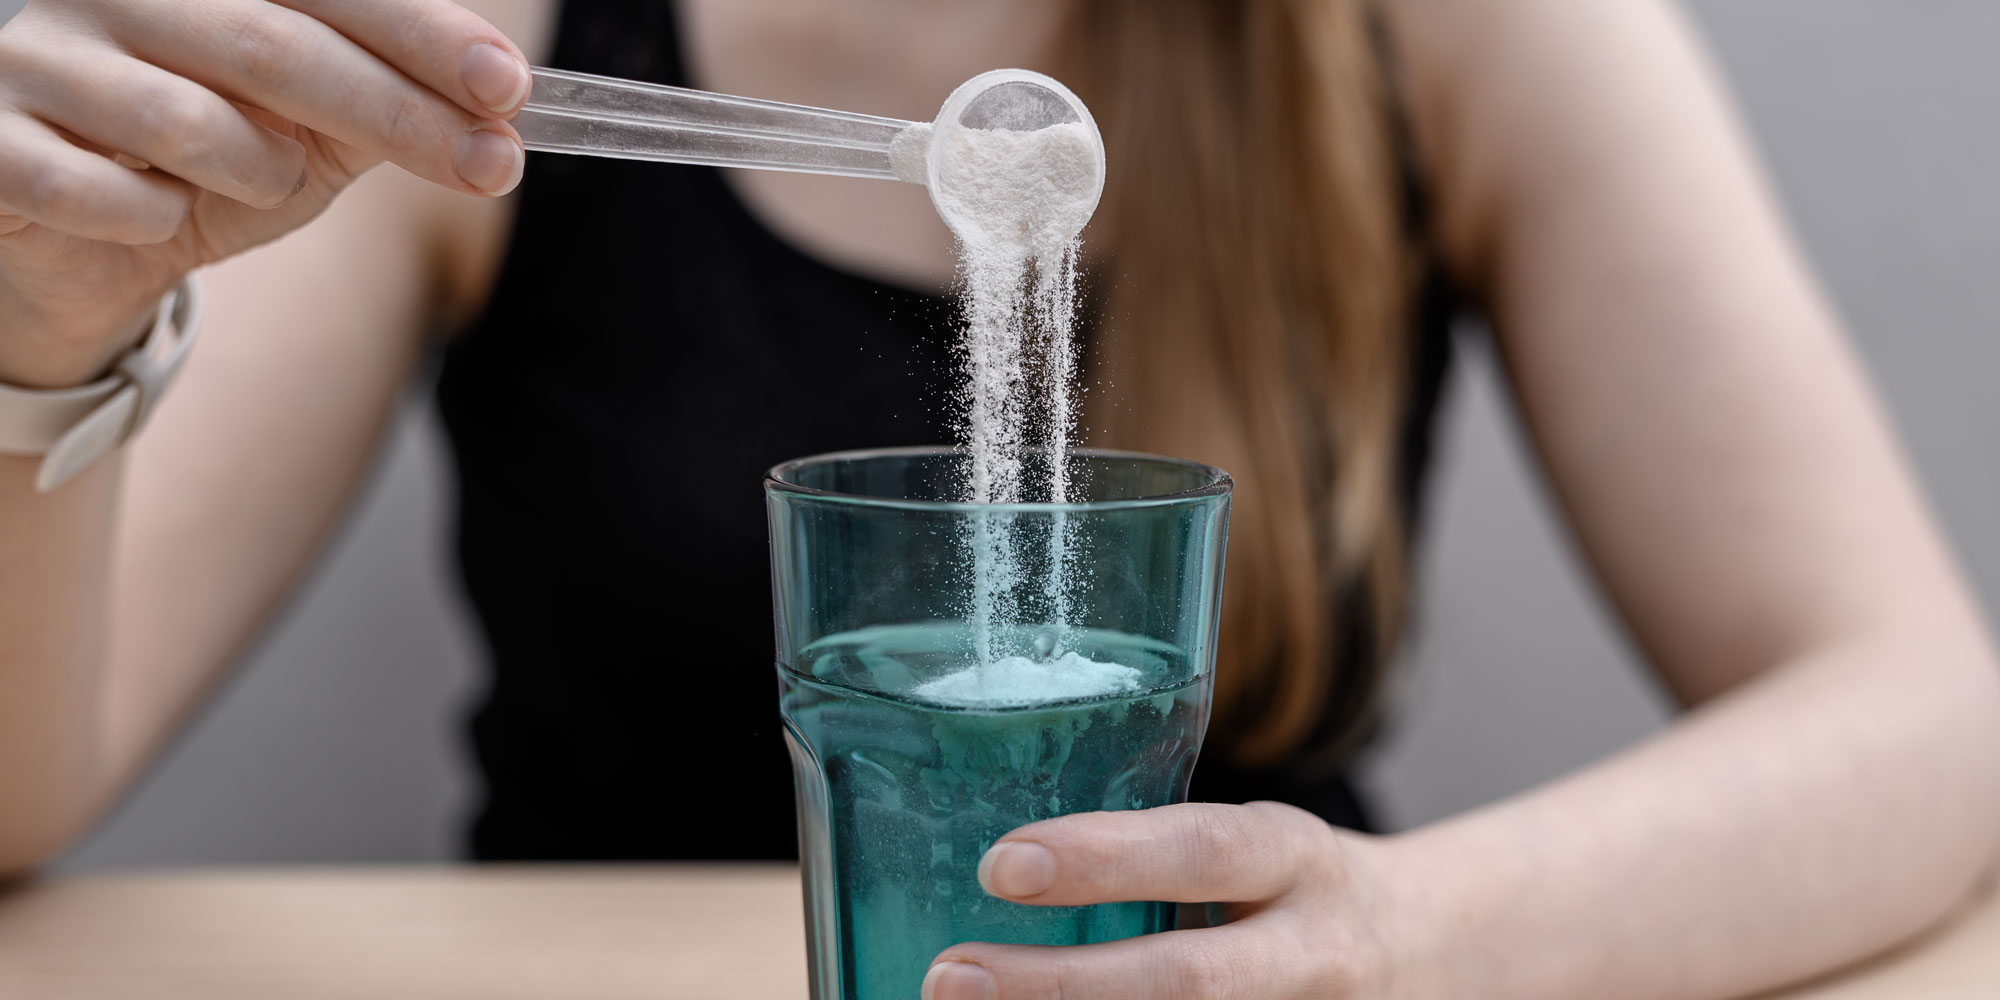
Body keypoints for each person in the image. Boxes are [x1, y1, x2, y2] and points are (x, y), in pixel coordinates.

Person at [1, 0, 1996, 996]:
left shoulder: (1441, 31)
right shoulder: (459, 57)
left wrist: (1397, 937)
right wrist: (41, 330)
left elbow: (1924, 719)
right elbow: (26, 787)